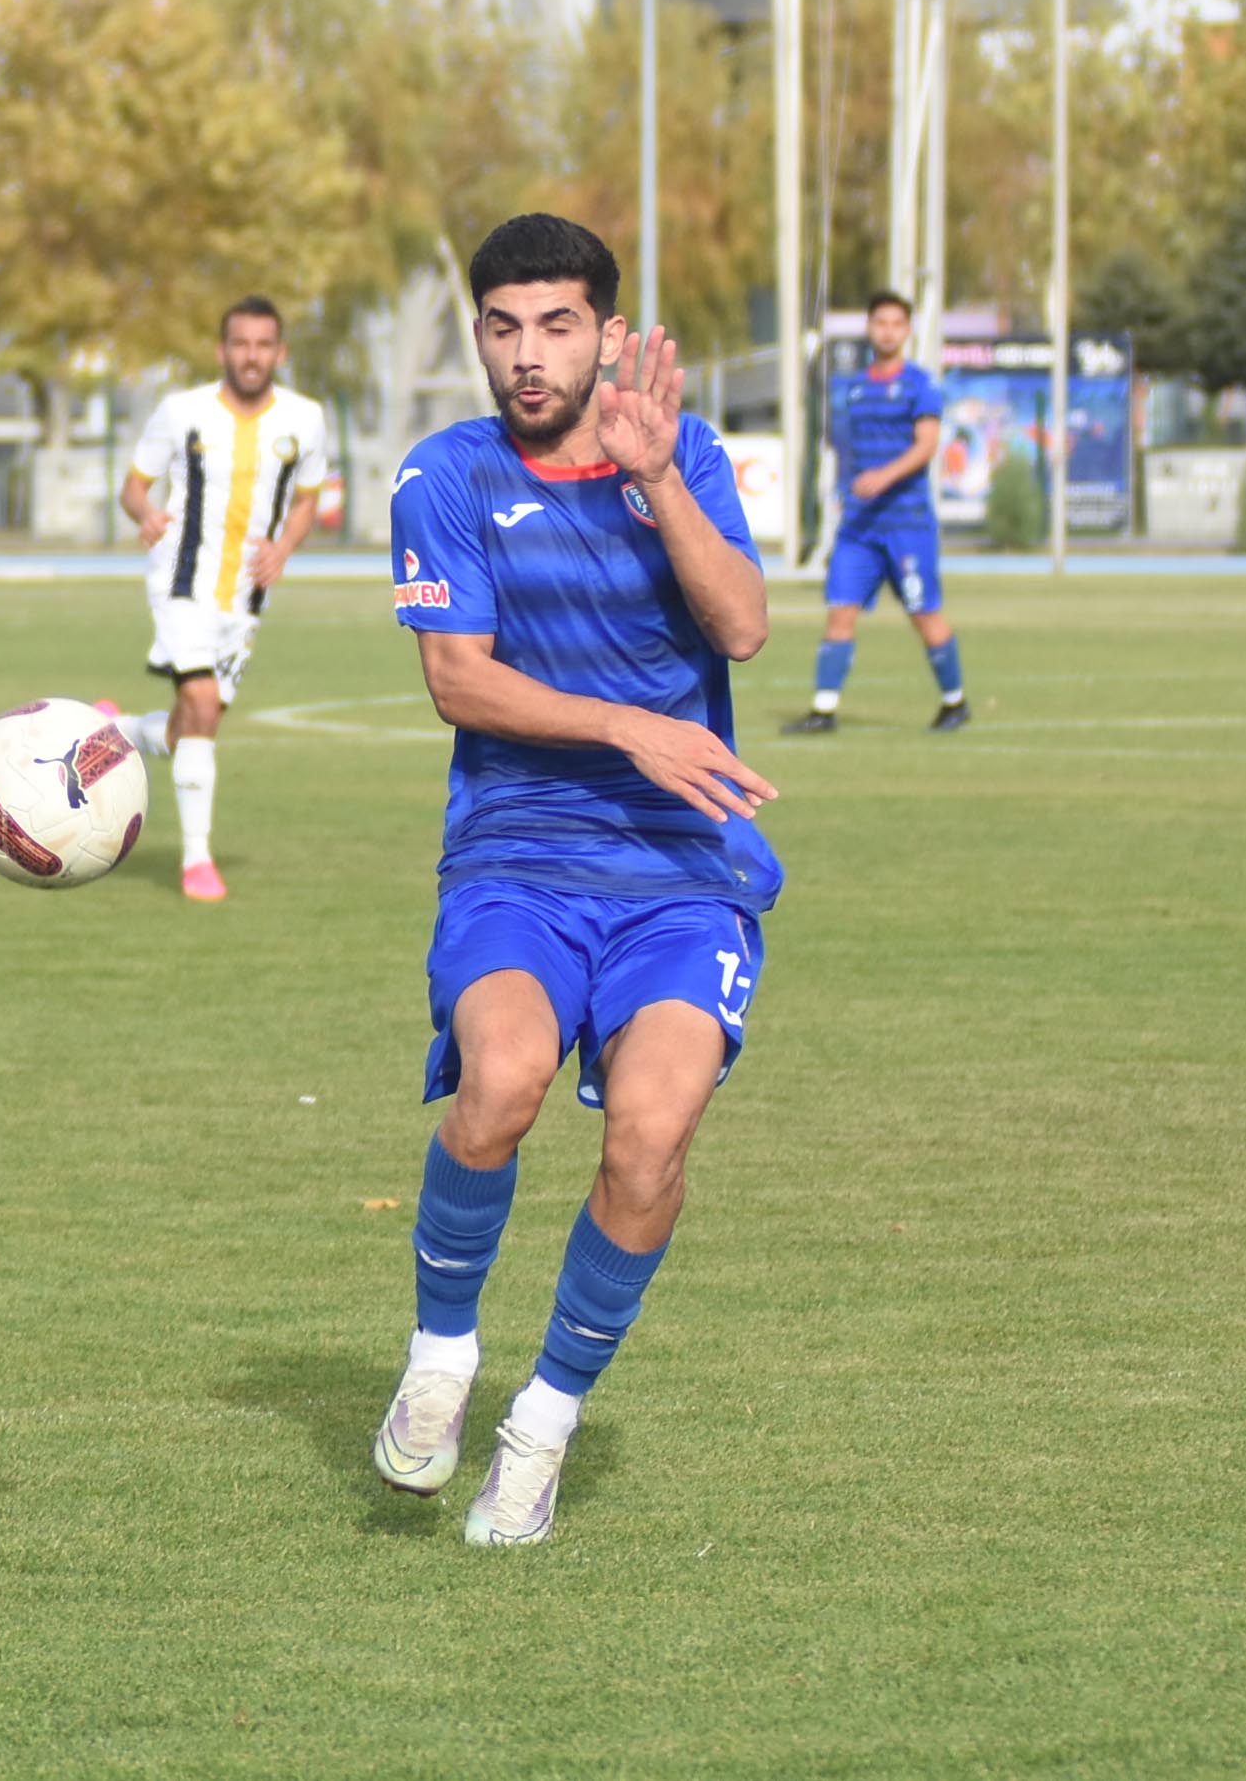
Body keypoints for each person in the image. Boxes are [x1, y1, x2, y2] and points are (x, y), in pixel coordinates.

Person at [374, 214, 782, 1548]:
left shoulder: (685, 452)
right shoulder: (440, 474)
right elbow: (456, 678)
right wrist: (628, 726)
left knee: (647, 1137)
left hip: (680, 870)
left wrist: (660, 481)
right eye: (502, 327)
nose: (525, 354)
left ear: (608, 332)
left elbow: (741, 625)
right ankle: (439, 1355)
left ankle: (540, 1423)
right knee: (497, 1083)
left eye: (555, 324)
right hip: (518, 851)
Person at [106, 296, 329, 902]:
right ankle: (197, 862)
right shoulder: (181, 412)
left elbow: (309, 496)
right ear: (221, 351)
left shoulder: (306, 419)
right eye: (240, 344)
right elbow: (133, 487)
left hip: (245, 597)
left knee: (193, 727)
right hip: (181, 582)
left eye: (263, 345)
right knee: (201, 701)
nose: (251, 356)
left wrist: (283, 548)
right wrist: (145, 514)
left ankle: (117, 733)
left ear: (279, 354)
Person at [785, 289, 968, 734]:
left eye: (895, 324)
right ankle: (823, 710)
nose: (887, 331)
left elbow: (926, 447)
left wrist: (882, 478)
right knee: (840, 608)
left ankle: (954, 701)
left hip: (906, 523)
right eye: (880, 323)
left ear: (906, 332)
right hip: (859, 527)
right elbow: (845, 451)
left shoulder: (920, 385)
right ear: (870, 328)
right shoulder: (853, 390)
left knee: (924, 614)